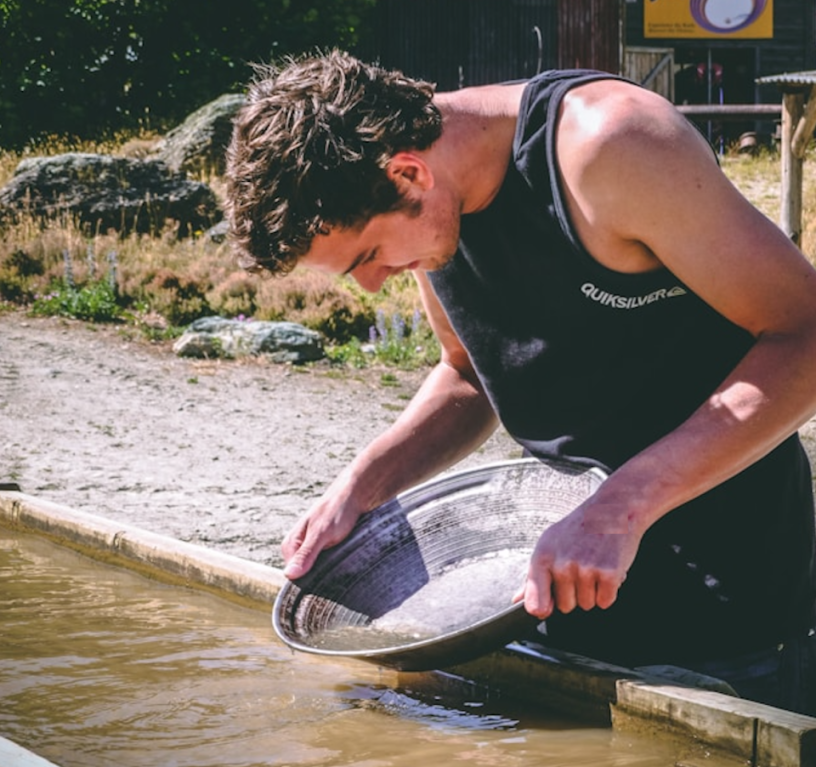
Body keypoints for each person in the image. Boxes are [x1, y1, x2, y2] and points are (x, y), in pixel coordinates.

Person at [225, 49, 816, 714]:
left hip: (733, 608)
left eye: (365, 255)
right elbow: (468, 375)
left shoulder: (609, 146)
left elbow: (804, 334)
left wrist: (620, 507)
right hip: (555, 598)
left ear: (409, 172)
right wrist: (363, 486)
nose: (369, 283)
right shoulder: (427, 203)